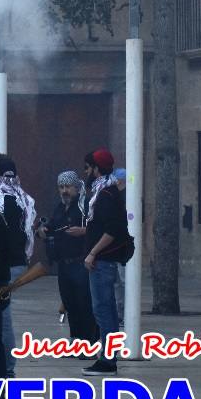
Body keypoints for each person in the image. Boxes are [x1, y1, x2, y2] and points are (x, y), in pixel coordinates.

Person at [81, 148, 133, 376]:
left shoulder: (106, 195)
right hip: (102, 259)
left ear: (96, 169)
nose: (86, 172)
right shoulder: (104, 192)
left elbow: (112, 229)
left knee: (103, 310)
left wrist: (93, 252)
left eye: (88, 167)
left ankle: (108, 360)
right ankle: (108, 356)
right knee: (106, 310)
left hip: (103, 261)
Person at [0, 157, 35, 377]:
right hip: (18, 261)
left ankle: (6, 368)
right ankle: (5, 367)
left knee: (1, 320)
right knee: (2, 316)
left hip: (2, 265)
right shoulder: (22, 197)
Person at [43, 170, 98, 344]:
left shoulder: (86, 205)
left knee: (84, 304)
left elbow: (100, 229)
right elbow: (52, 226)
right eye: (61, 187)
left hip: (81, 263)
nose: (65, 191)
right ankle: (76, 341)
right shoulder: (60, 207)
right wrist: (43, 231)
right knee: (70, 303)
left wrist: (83, 231)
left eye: (68, 187)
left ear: (76, 187)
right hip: (64, 265)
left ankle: (89, 342)